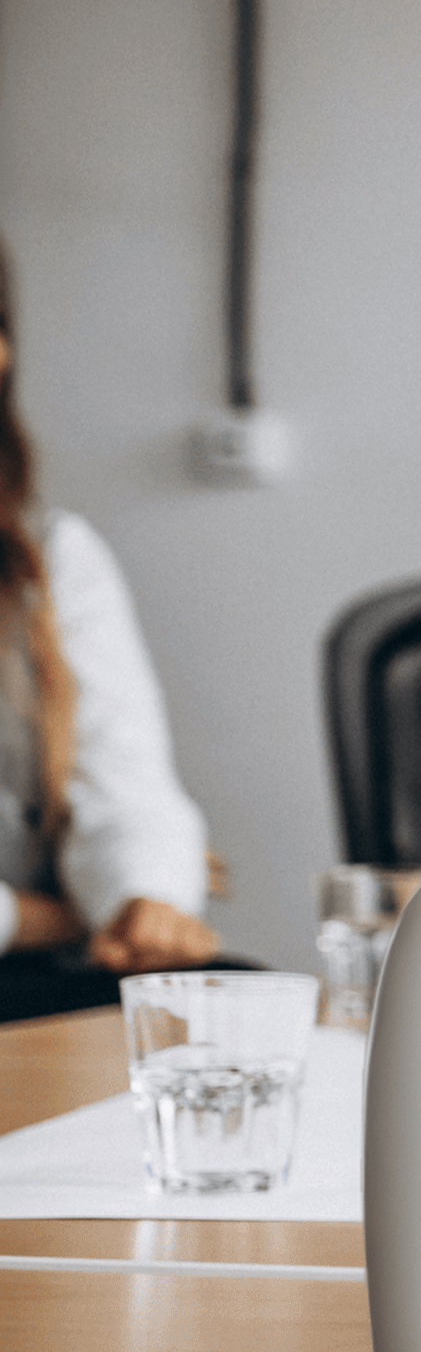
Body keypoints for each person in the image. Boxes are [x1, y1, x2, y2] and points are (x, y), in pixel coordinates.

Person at [0, 244, 223, 1020]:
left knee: (227, 1007)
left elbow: (127, 783)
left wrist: (141, 898)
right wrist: (42, 918)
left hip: (30, 973)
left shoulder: (52, 560)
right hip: (29, 947)